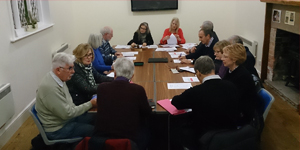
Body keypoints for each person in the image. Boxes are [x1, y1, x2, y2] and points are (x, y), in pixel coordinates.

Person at [171, 56, 240, 149]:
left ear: (198, 73)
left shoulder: (196, 91)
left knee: (175, 129)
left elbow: (176, 102)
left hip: (205, 136)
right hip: (232, 133)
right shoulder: (231, 86)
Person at [35, 52, 97, 140]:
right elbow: (68, 114)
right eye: (70, 68)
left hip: (66, 120)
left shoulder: (58, 78)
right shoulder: (51, 88)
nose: (73, 71)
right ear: (58, 70)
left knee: (98, 118)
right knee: (95, 131)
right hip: (58, 129)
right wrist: (91, 104)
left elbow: (69, 107)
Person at [94, 57, 152, 150]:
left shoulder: (101, 88)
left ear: (115, 73)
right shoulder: (138, 89)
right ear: (132, 76)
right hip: (129, 141)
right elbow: (147, 113)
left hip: (102, 141)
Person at [222, 43, 260, 125]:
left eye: (225, 57)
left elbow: (233, 99)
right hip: (234, 108)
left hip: (242, 114)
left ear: (234, 59)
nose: (222, 59)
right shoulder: (231, 70)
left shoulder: (242, 76)